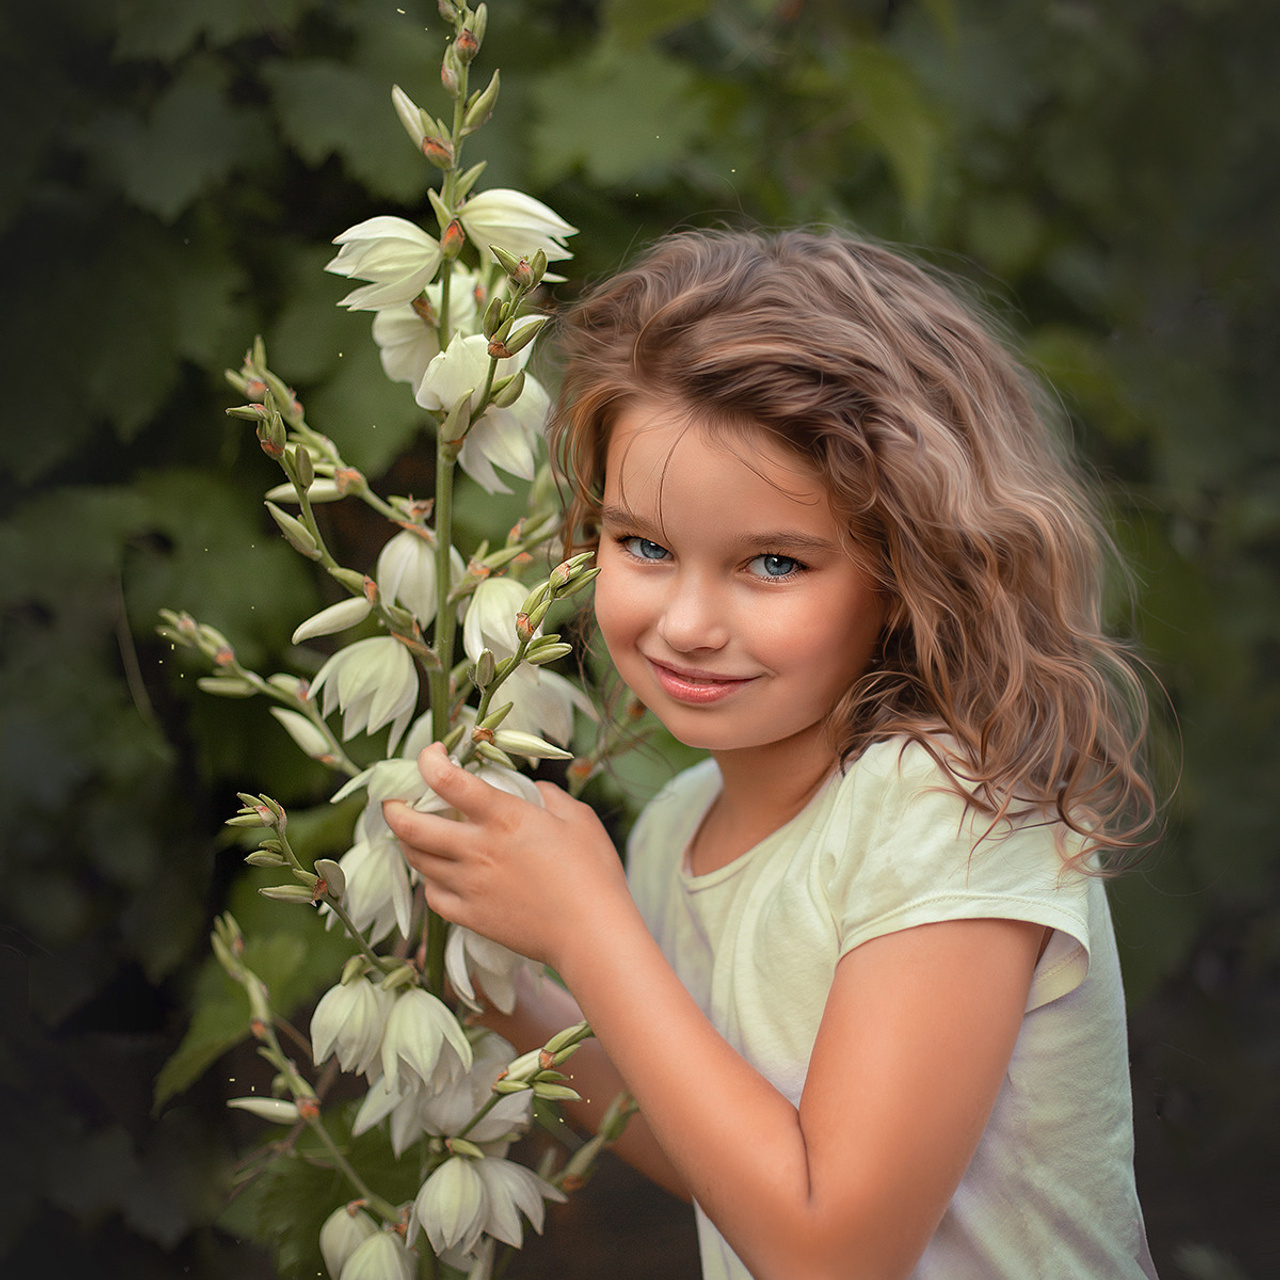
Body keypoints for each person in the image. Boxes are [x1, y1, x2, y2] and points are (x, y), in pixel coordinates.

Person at [384, 228, 1161, 1279]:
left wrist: (585, 921)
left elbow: (831, 1247)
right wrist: (505, 985)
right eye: (643, 545)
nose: (689, 621)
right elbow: (722, 1146)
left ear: (909, 564)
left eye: (771, 562)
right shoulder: (677, 824)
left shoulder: (951, 809)